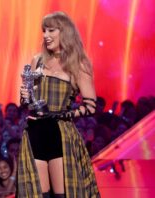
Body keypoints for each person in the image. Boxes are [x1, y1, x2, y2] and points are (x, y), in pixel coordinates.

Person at [18, 12, 100, 198]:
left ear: (64, 32)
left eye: (51, 30)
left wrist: (65, 114)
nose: (46, 35)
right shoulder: (37, 60)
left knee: (62, 195)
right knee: (38, 195)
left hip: (60, 135)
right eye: (44, 31)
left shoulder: (79, 64)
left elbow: (91, 106)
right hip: (34, 132)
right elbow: (26, 101)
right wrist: (24, 97)